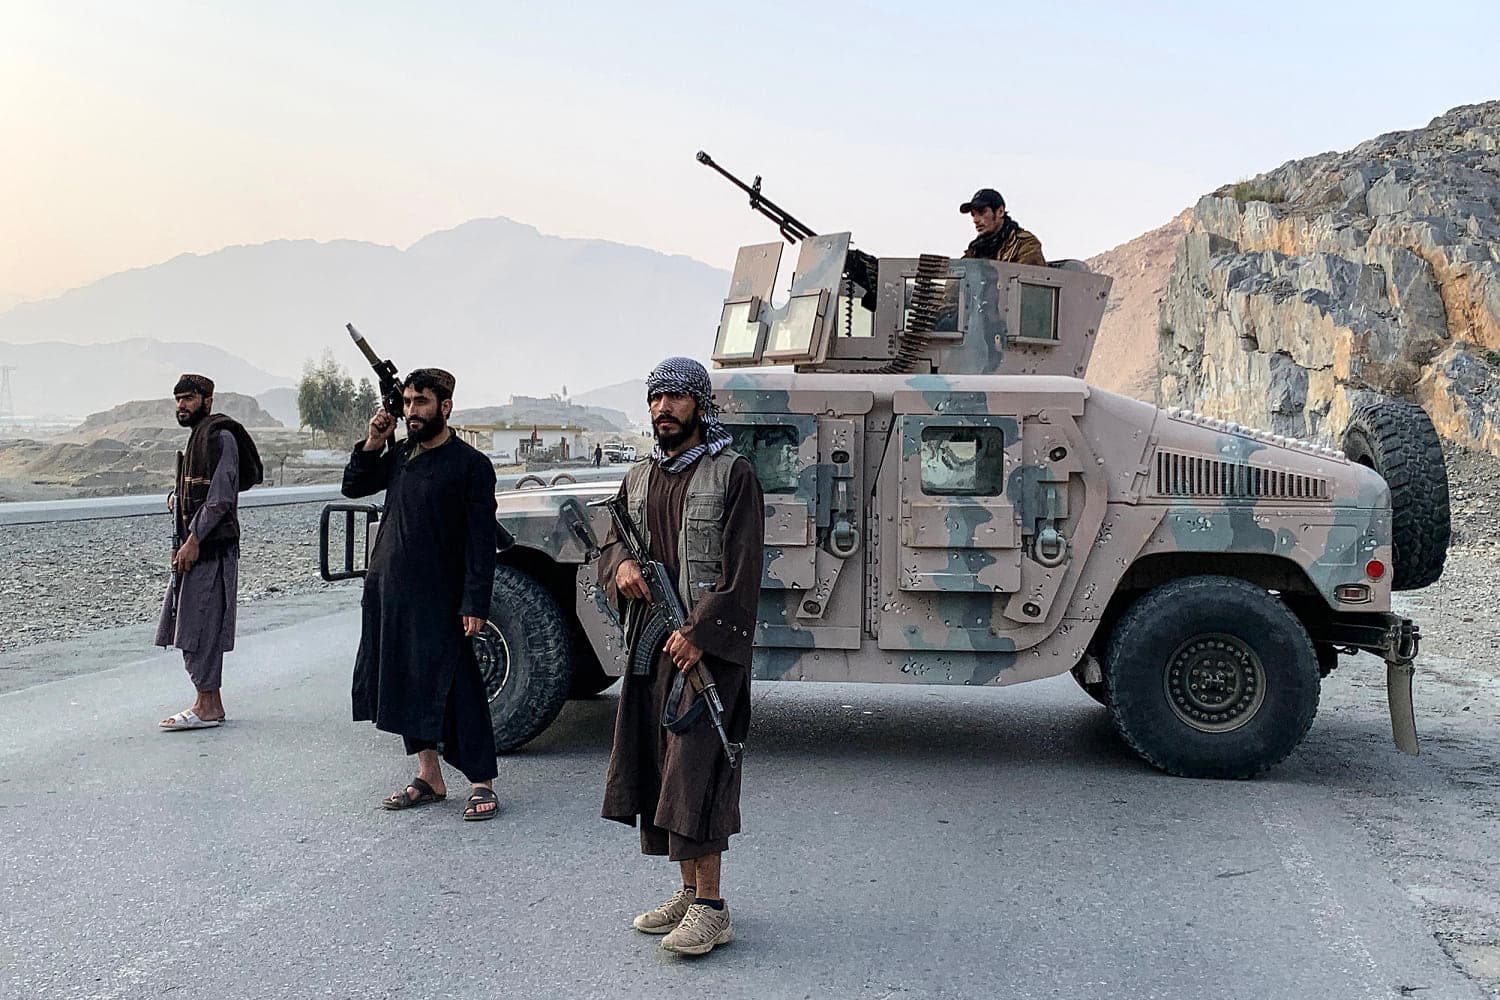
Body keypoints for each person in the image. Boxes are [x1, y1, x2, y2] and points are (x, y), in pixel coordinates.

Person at [597, 356, 764, 957]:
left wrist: (700, 634)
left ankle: (712, 908)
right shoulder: (639, 476)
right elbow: (612, 540)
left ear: (700, 404)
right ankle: (690, 892)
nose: (662, 408)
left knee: (698, 770)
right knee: (662, 769)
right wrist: (621, 565)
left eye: (675, 397)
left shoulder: (732, 473)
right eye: (655, 398)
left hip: (705, 652)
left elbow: (744, 570)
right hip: (652, 647)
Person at [341, 368, 502, 821]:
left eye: (421, 402)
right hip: (391, 593)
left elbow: (480, 542)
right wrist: (374, 440)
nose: (412, 411)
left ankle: (482, 782)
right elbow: (353, 485)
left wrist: (475, 601)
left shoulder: (470, 465)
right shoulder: (400, 455)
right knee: (405, 681)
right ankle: (429, 776)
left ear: (445, 406)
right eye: (408, 402)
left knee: (459, 687)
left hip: (442, 597)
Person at [156, 374, 263, 731]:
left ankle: (208, 705)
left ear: (208, 400)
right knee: (187, 621)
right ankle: (207, 701)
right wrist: (177, 500)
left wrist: (194, 539)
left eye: (188, 398)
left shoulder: (220, 437)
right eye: (178, 400)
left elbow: (220, 498)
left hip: (211, 549)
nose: (182, 406)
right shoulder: (198, 436)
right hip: (197, 547)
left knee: (201, 624)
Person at [959, 187, 1046, 265]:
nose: (975, 220)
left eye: (982, 212)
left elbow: (1029, 275)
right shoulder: (974, 250)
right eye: (973, 215)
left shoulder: (1024, 244)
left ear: (1000, 212)